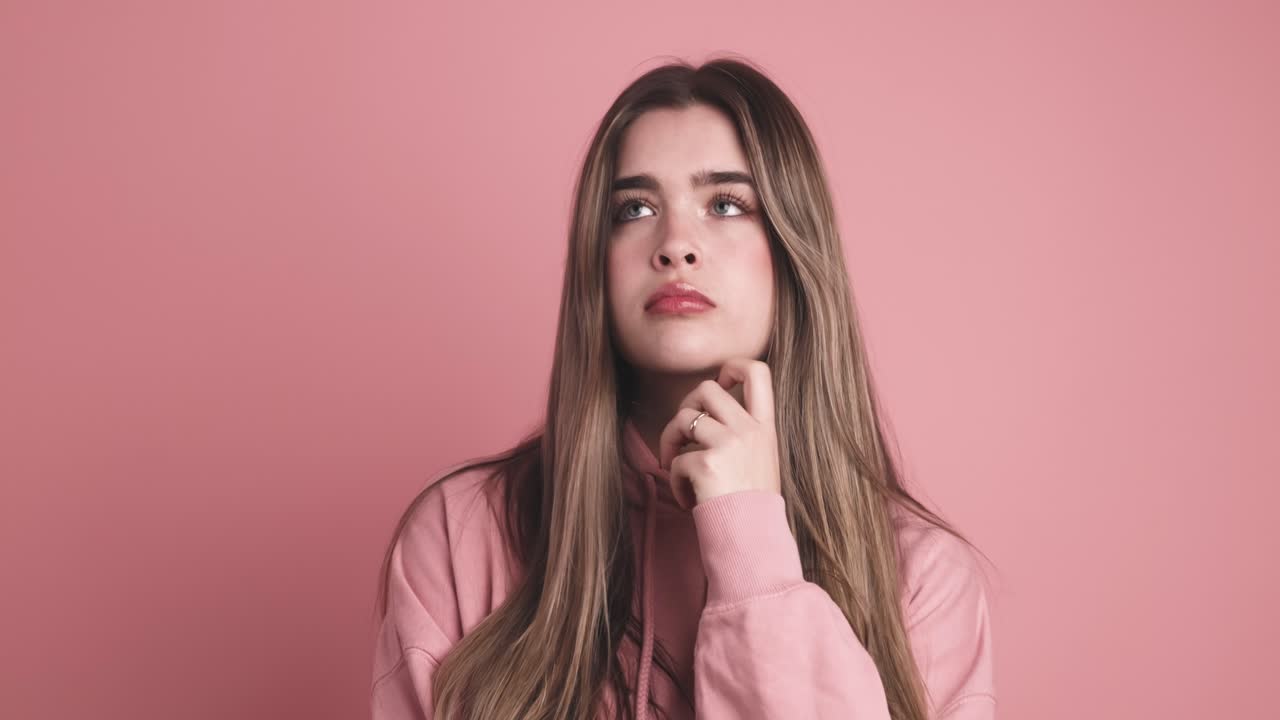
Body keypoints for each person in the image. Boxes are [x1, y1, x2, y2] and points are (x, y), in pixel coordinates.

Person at [369, 56, 996, 720]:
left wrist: (750, 545)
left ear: (793, 251)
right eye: (634, 208)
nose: (675, 245)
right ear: (595, 262)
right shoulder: (460, 536)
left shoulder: (922, 580)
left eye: (726, 203)